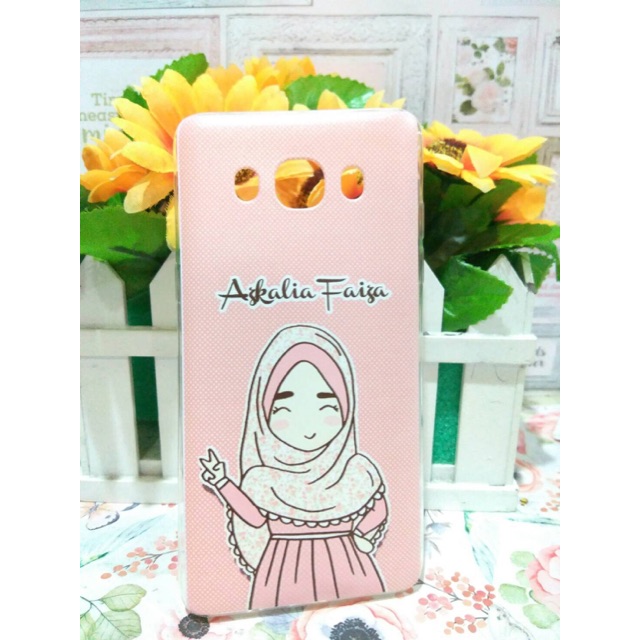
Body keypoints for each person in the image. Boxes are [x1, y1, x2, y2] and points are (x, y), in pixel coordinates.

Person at [199, 324, 388, 609]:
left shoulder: (356, 470)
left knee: (355, 613)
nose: (308, 427)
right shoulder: (263, 479)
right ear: (263, 413)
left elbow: (378, 508)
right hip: (284, 567)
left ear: (346, 408)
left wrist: (361, 534)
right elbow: (254, 519)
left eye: (327, 407)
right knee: (280, 622)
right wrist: (222, 483)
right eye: (283, 409)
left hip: (348, 563)